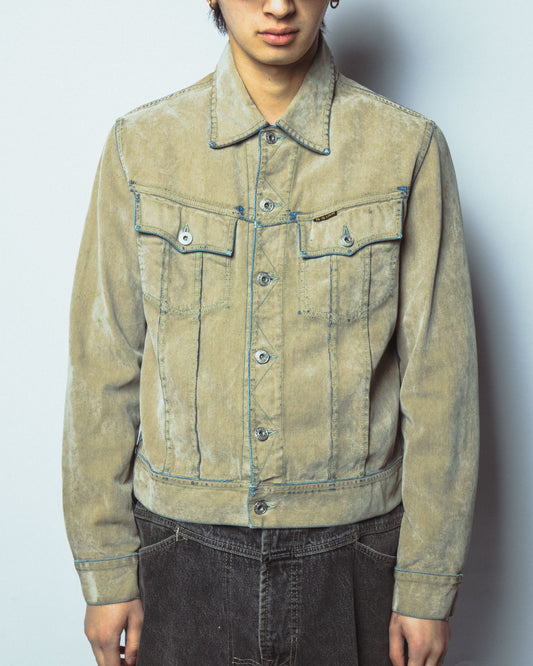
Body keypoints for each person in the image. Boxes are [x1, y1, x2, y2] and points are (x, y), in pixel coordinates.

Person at [63, 1, 479, 665]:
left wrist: (427, 584)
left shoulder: (406, 149)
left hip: (352, 553)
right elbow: (103, 368)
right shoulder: (140, 147)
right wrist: (106, 566)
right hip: (180, 551)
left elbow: (440, 382)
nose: (279, 5)